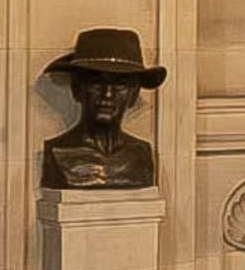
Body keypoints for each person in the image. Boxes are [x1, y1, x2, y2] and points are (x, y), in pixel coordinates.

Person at [39, 27, 166, 190]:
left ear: (133, 95)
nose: (107, 94)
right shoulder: (58, 152)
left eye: (120, 84)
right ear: (77, 89)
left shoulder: (141, 155)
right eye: (96, 82)